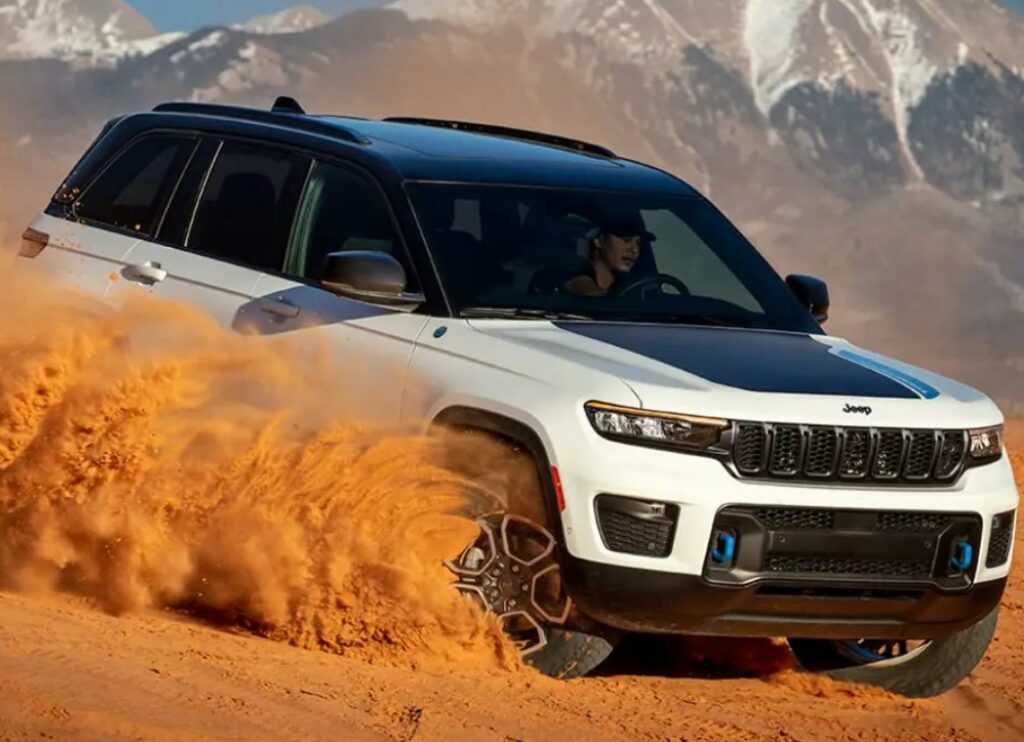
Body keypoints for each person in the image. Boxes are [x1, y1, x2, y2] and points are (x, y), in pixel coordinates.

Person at [562, 216, 653, 296]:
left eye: (638, 243)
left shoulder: (631, 285)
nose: (634, 250)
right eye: (626, 240)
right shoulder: (577, 275)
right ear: (599, 241)